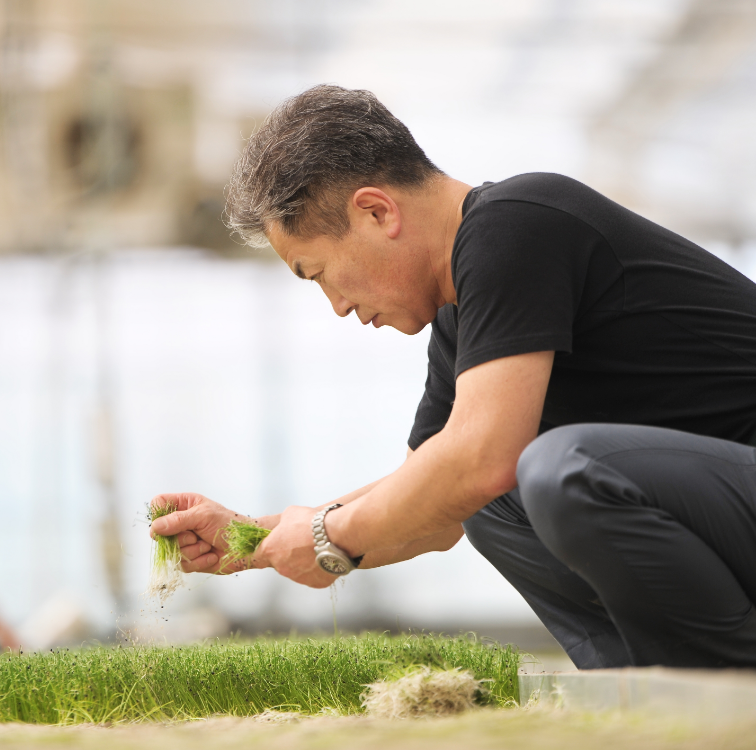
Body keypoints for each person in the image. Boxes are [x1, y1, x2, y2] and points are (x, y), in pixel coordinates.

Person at [148, 85, 756, 669]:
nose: (335, 304)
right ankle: (646, 684)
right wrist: (254, 537)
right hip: (723, 514)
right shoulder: (460, 315)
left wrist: (329, 536)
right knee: (478, 495)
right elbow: (430, 508)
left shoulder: (516, 225)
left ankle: (725, 682)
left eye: (319, 273)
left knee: (552, 469)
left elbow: (480, 460)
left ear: (376, 211)